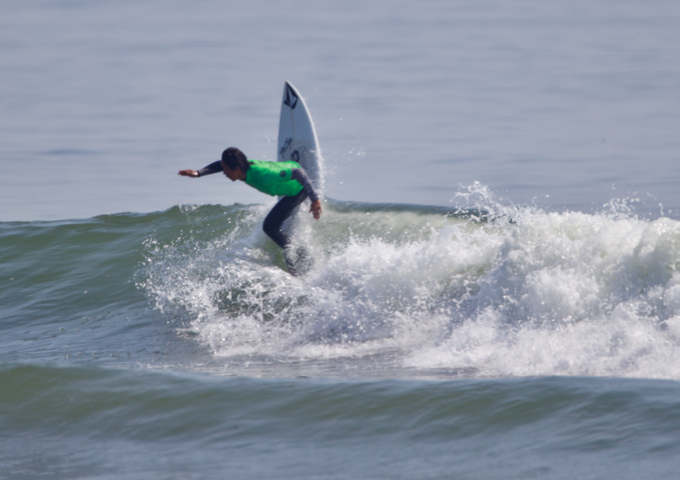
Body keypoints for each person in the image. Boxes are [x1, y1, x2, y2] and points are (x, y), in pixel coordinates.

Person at [179, 147, 322, 275]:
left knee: (270, 226)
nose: (224, 172)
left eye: (226, 169)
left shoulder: (263, 175)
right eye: (224, 168)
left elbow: (299, 173)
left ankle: (298, 253)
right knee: (270, 225)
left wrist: (315, 200)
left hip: (298, 189)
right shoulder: (244, 168)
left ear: (236, 168)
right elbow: (220, 164)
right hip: (289, 168)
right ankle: (297, 251)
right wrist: (198, 173)